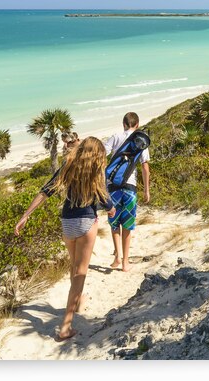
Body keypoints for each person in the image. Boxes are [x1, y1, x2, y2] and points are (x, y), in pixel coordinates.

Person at [15, 136, 116, 342]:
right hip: (87, 222)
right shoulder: (96, 170)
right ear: (98, 154)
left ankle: (77, 303)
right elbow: (103, 196)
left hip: (67, 223)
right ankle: (66, 326)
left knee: (74, 266)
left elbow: (46, 191)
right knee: (80, 272)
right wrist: (112, 209)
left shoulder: (68, 166)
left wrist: (25, 215)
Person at [103, 111, 150, 272]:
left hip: (113, 187)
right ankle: (125, 262)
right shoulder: (141, 142)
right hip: (130, 188)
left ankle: (116, 256)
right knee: (127, 225)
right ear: (137, 125)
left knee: (114, 222)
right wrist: (146, 191)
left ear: (123, 124)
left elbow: (102, 154)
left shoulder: (115, 136)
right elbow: (145, 168)